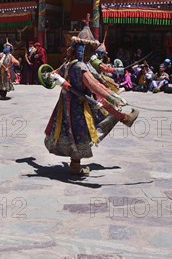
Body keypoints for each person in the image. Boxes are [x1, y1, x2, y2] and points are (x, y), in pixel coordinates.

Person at [43, 25, 138, 176]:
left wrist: (49, 76)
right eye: (87, 49)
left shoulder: (68, 63)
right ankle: (75, 165)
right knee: (80, 131)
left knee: (72, 130)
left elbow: (52, 73)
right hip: (78, 105)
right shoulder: (79, 66)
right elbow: (93, 86)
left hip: (67, 102)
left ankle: (124, 118)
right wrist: (113, 97)